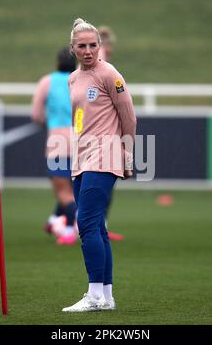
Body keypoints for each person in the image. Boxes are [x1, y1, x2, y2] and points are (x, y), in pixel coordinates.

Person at [62, 18, 136, 312]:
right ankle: (106, 297)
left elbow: (128, 115)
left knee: (88, 224)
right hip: (82, 157)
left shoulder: (110, 74)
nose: (89, 50)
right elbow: (79, 119)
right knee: (98, 228)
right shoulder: (73, 79)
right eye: (82, 46)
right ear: (73, 49)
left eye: (93, 45)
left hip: (105, 155)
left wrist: (127, 154)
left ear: (100, 46)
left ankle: (93, 295)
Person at [31, 47, 78, 245]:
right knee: (73, 190)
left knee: (63, 192)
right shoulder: (79, 80)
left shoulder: (47, 82)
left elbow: (36, 115)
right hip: (80, 141)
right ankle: (53, 221)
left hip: (57, 142)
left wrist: (46, 123)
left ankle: (69, 230)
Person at [98, 25, 124, 242]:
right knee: (101, 181)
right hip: (98, 136)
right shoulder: (101, 63)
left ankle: (98, 224)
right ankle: (97, 225)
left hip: (97, 133)